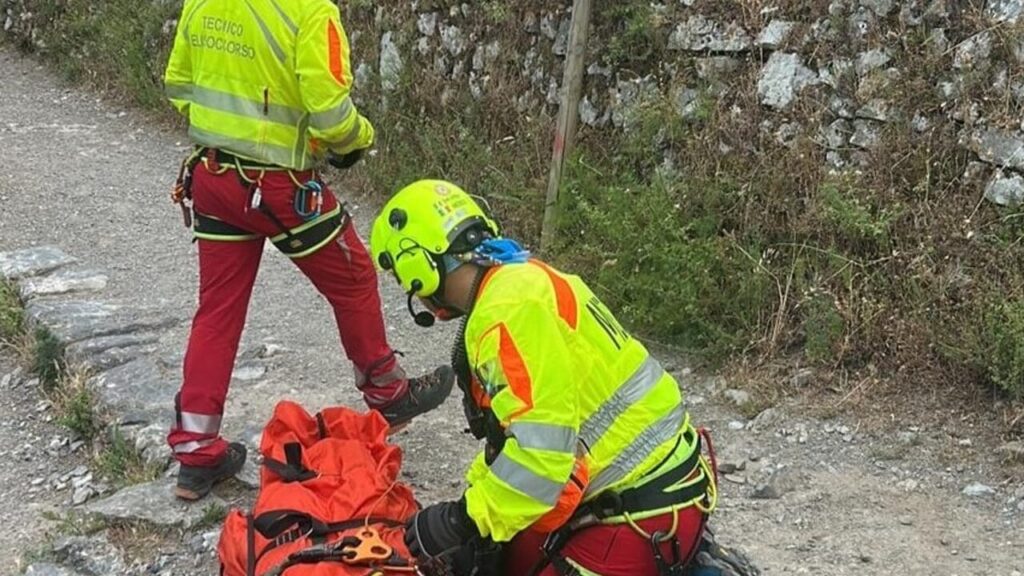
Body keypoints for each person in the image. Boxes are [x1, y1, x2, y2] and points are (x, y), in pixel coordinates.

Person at [162, 0, 454, 501]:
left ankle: (195, 449)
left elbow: (179, 86)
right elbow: (331, 115)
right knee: (355, 276)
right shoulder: (310, 11)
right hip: (280, 187)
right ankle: (388, 392)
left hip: (211, 176)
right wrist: (356, 139)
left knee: (218, 313)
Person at [369, 180, 719, 575]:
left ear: (417, 266)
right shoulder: (524, 278)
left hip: (638, 512)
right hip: (664, 487)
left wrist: (463, 519)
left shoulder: (504, 314)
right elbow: (515, 437)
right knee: (503, 551)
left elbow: (542, 460)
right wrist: (475, 502)